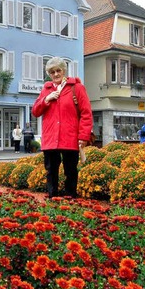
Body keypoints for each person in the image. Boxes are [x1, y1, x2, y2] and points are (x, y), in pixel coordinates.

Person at [32, 57, 93, 198]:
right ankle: (52, 198)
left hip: (69, 137)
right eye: (52, 72)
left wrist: (83, 136)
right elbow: (35, 111)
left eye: (58, 70)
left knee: (70, 171)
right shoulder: (46, 89)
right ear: (49, 74)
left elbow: (86, 113)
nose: (56, 74)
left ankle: (70, 199)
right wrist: (46, 99)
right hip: (51, 138)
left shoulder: (76, 88)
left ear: (64, 71)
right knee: (51, 170)